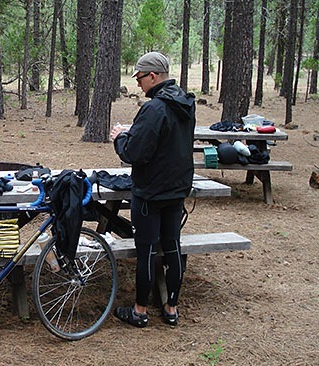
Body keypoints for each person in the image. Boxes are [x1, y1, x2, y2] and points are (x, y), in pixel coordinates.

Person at [110, 52, 196, 327]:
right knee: (172, 247)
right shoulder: (186, 103)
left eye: (139, 78)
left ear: (153, 76)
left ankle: (140, 310)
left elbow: (136, 153)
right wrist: (135, 129)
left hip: (150, 192)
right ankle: (171, 308)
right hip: (177, 189)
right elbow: (166, 140)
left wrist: (121, 137)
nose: (138, 84)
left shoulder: (154, 108)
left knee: (146, 250)